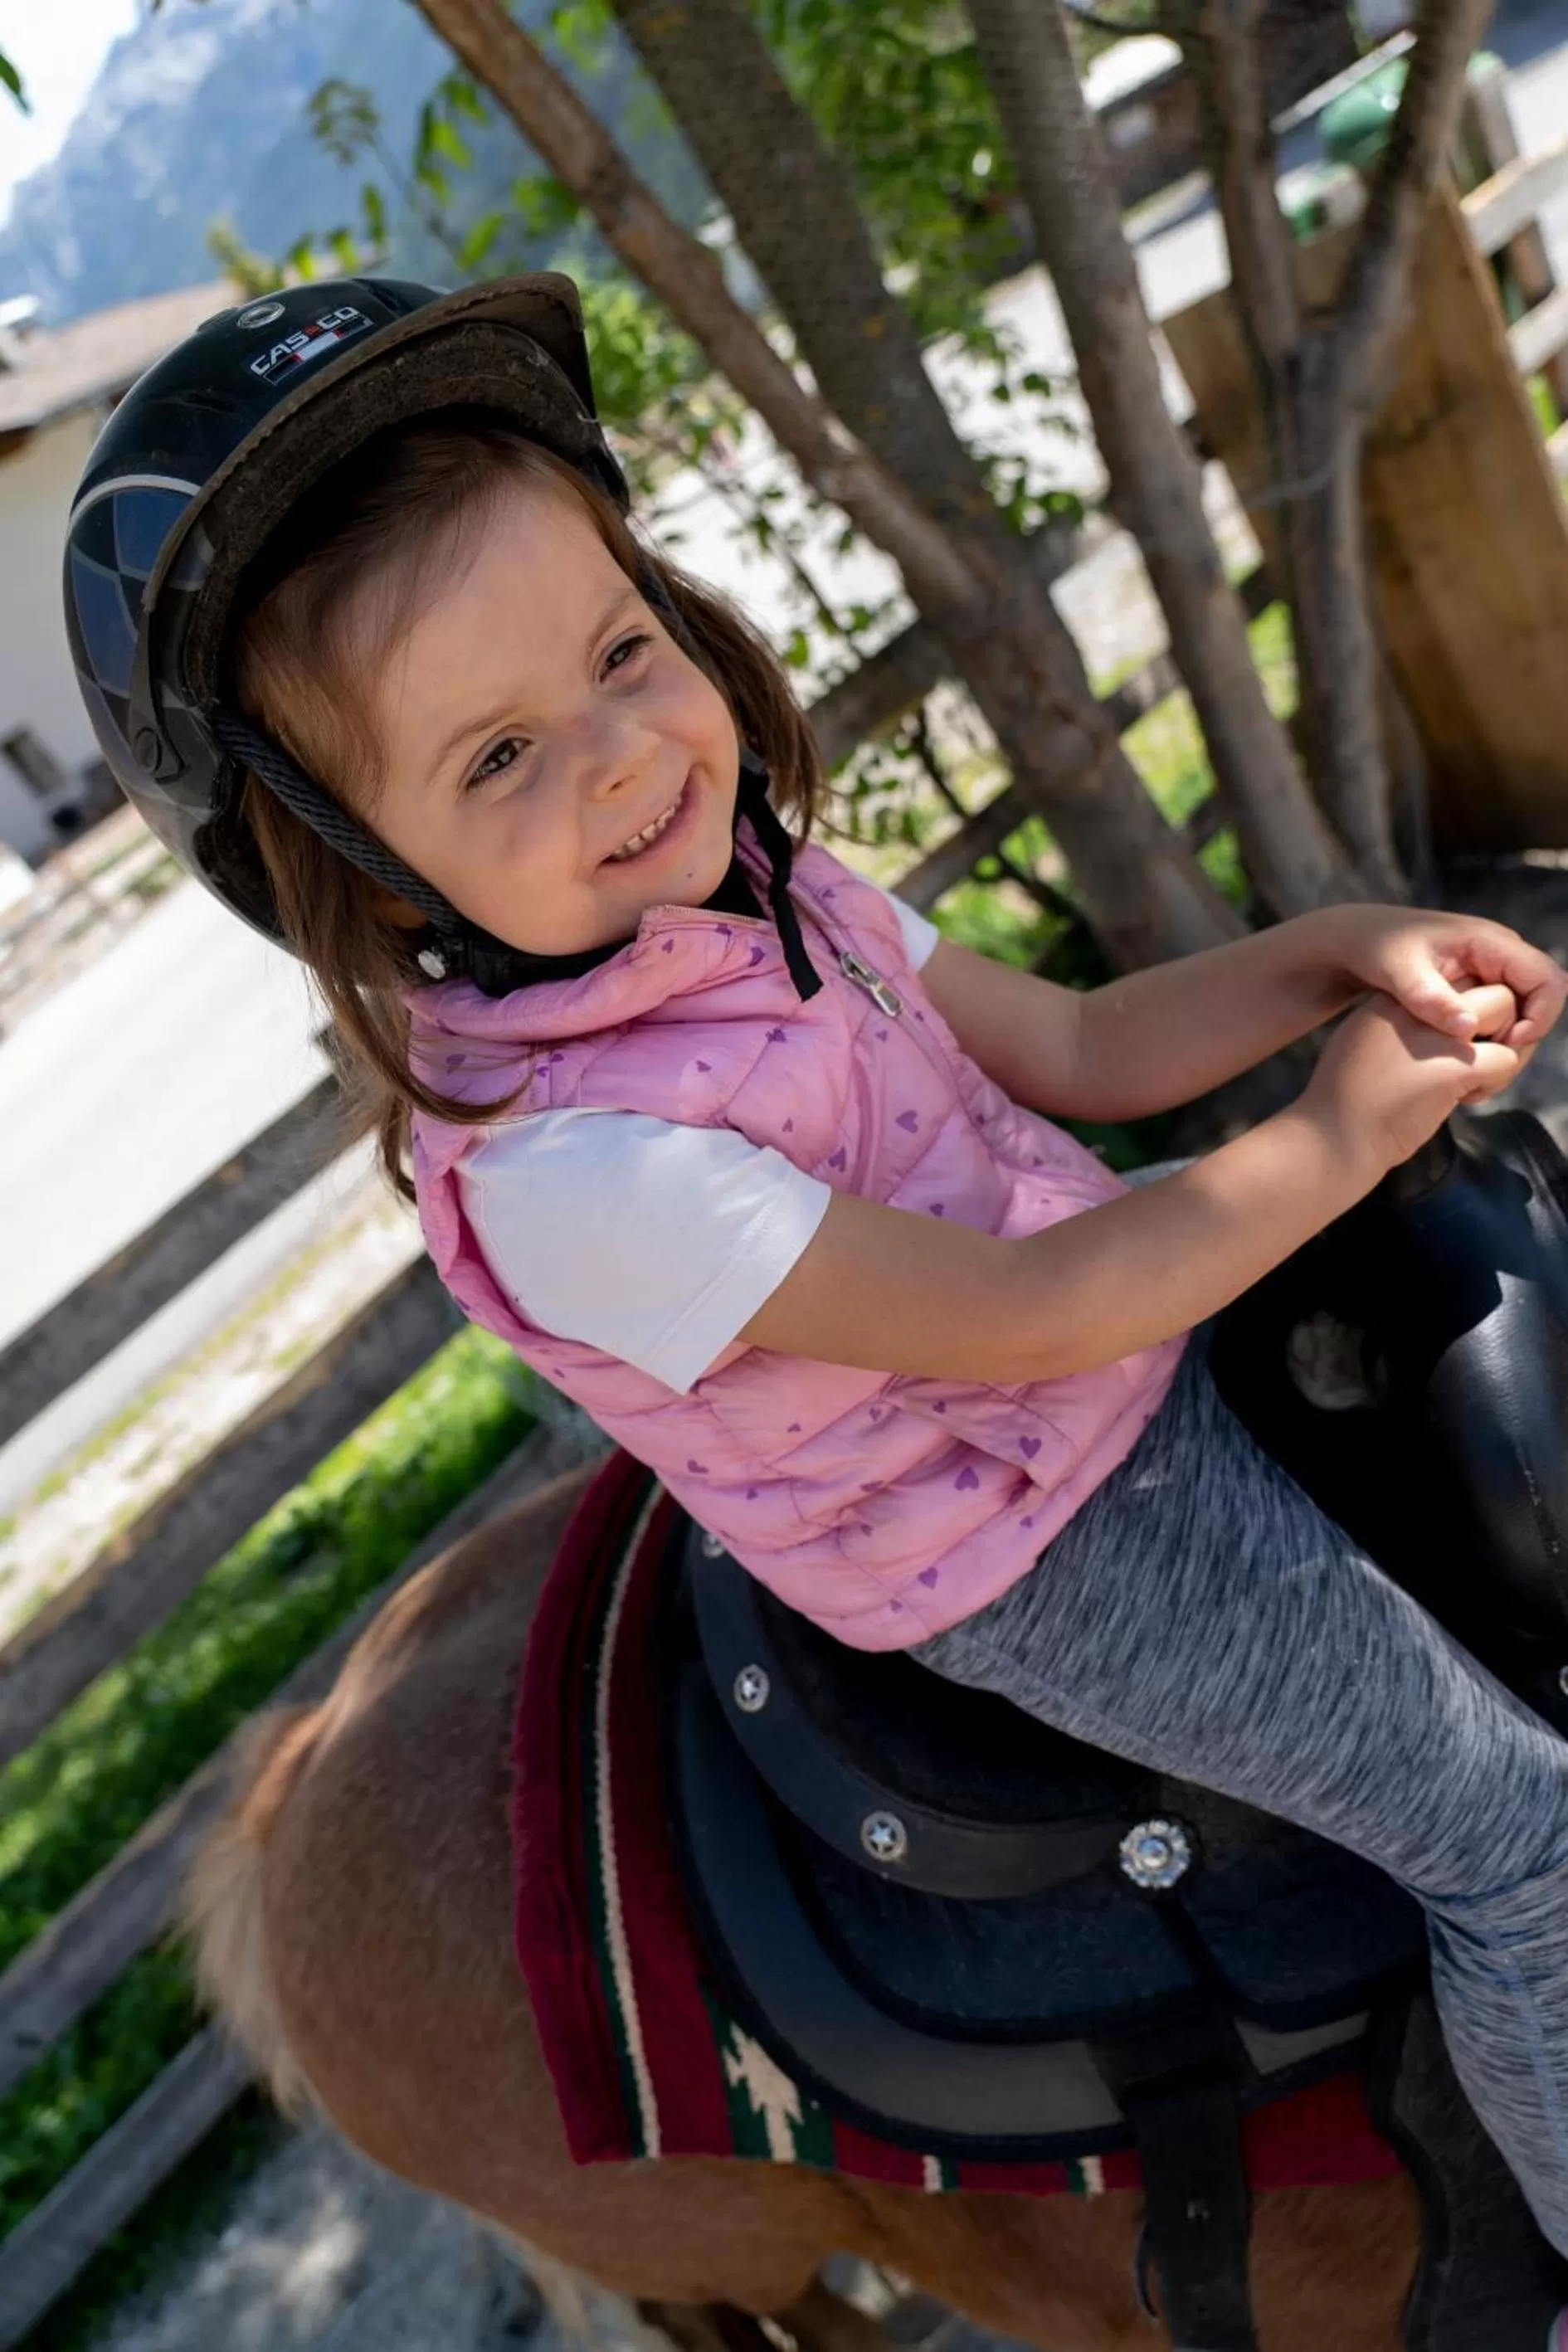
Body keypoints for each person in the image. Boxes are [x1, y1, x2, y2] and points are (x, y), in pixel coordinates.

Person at [64, 270, 1568, 2279]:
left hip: (1107, 1360)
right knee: (1514, 1836)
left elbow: (1081, 1049)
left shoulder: (766, 890)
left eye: (620, 649)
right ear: (355, 864)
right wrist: (1337, 1127)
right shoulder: (578, 1176)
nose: (615, 755)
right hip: (1033, 1533)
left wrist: (1327, 959)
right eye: (498, 754)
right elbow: (1043, 1317)